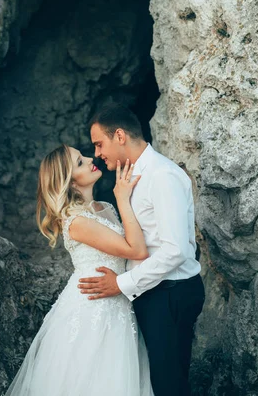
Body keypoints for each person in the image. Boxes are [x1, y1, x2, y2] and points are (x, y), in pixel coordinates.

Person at [4, 144, 154, 396]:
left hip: (116, 302)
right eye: (80, 162)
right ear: (70, 182)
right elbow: (137, 250)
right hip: (91, 308)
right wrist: (123, 198)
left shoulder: (103, 208)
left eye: (83, 156)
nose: (90, 158)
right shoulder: (77, 221)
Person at [79, 104, 205, 396]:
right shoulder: (132, 176)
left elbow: (176, 251)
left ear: (119, 135)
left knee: (168, 386)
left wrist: (120, 284)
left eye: (99, 143)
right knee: (158, 382)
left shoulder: (162, 175)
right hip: (154, 292)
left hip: (170, 293)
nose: (97, 153)